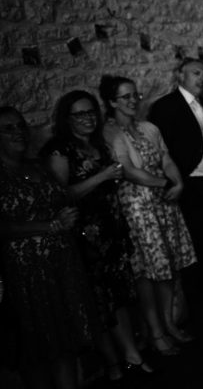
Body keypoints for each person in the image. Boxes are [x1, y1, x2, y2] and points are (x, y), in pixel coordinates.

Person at [41, 91, 152, 381]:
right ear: (67, 118)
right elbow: (60, 195)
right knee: (100, 302)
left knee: (120, 294)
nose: (88, 118)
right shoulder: (59, 150)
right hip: (86, 237)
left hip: (110, 228)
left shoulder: (97, 144)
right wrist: (101, 177)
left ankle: (128, 356)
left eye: (91, 112)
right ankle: (120, 361)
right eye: (80, 114)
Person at [0, 106, 97, 389]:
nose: (18, 132)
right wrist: (49, 226)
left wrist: (69, 217)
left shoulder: (37, 166)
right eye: (9, 128)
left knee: (65, 341)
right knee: (38, 347)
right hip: (26, 271)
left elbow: (61, 198)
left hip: (61, 262)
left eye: (21, 126)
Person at [101, 76, 196, 355]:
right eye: (125, 97)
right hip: (137, 208)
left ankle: (169, 324)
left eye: (135, 96)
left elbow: (166, 158)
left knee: (168, 268)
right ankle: (155, 332)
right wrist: (163, 184)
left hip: (163, 202)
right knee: (147, 272)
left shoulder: (149, 127)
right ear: (111, 102)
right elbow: (128, 169)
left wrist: (177, 183)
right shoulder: (109, 132)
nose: (133, 101)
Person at [148, 58, 203, 325]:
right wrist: (175, 180)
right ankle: (198, 310)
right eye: (196, 73)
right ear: (179, 74)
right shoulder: (165, 106)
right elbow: (163, 150)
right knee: (193, 249)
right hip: (190, 183)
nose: (202, 78)